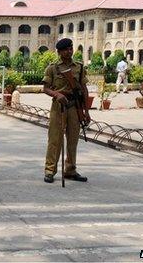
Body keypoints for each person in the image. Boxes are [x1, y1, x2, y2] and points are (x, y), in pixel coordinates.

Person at [43, 38, 89, 184]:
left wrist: (86, 111)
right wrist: (57, 94)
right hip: (58, 107)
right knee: (55, 140)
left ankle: (70, 169)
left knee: (73, 140)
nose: (69, 52)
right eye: (66, 49)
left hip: (74, 107)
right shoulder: (52, 68)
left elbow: (84, 89)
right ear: (59, 51)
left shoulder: (79, 67)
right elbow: (45, 88)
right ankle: (50, 170)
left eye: (70, 48)